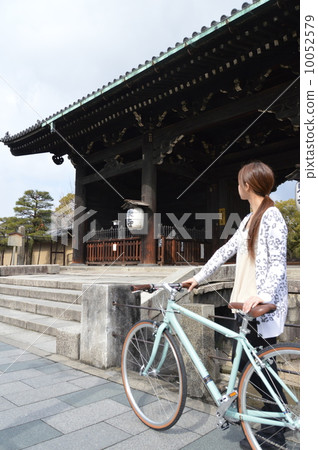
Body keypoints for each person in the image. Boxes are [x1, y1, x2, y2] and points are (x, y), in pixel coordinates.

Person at [184, 161, 288, 449]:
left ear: (248, 185)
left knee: (261, 367)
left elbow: (279, 264)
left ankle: (276, 430)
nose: (237, 187)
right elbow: (224, 251)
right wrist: (199, 277)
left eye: (240, 182)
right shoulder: (249, 219)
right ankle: (272, 425)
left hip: (260, 307)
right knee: (252, 366)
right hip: (244, 305)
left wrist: (263, 294)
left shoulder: (272, 216)